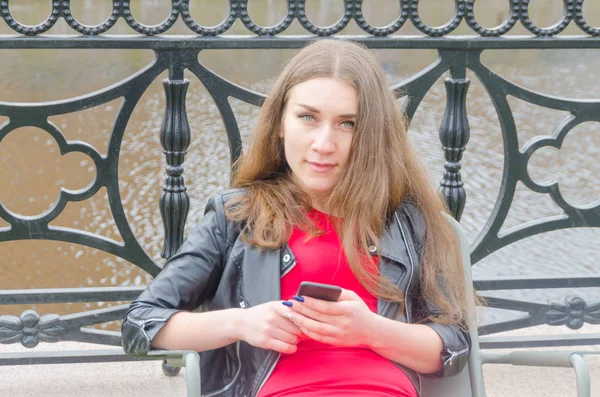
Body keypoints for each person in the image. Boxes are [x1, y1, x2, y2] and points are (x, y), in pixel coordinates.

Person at [122, 39, 471, 397]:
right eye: (308, 117)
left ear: (371, 135)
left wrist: (371, 331)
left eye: (347, 124)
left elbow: (454, 349)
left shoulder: (408, 219)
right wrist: (243, 323)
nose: (323, 144)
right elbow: (140, 324)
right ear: (280, 124)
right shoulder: (236, 216)